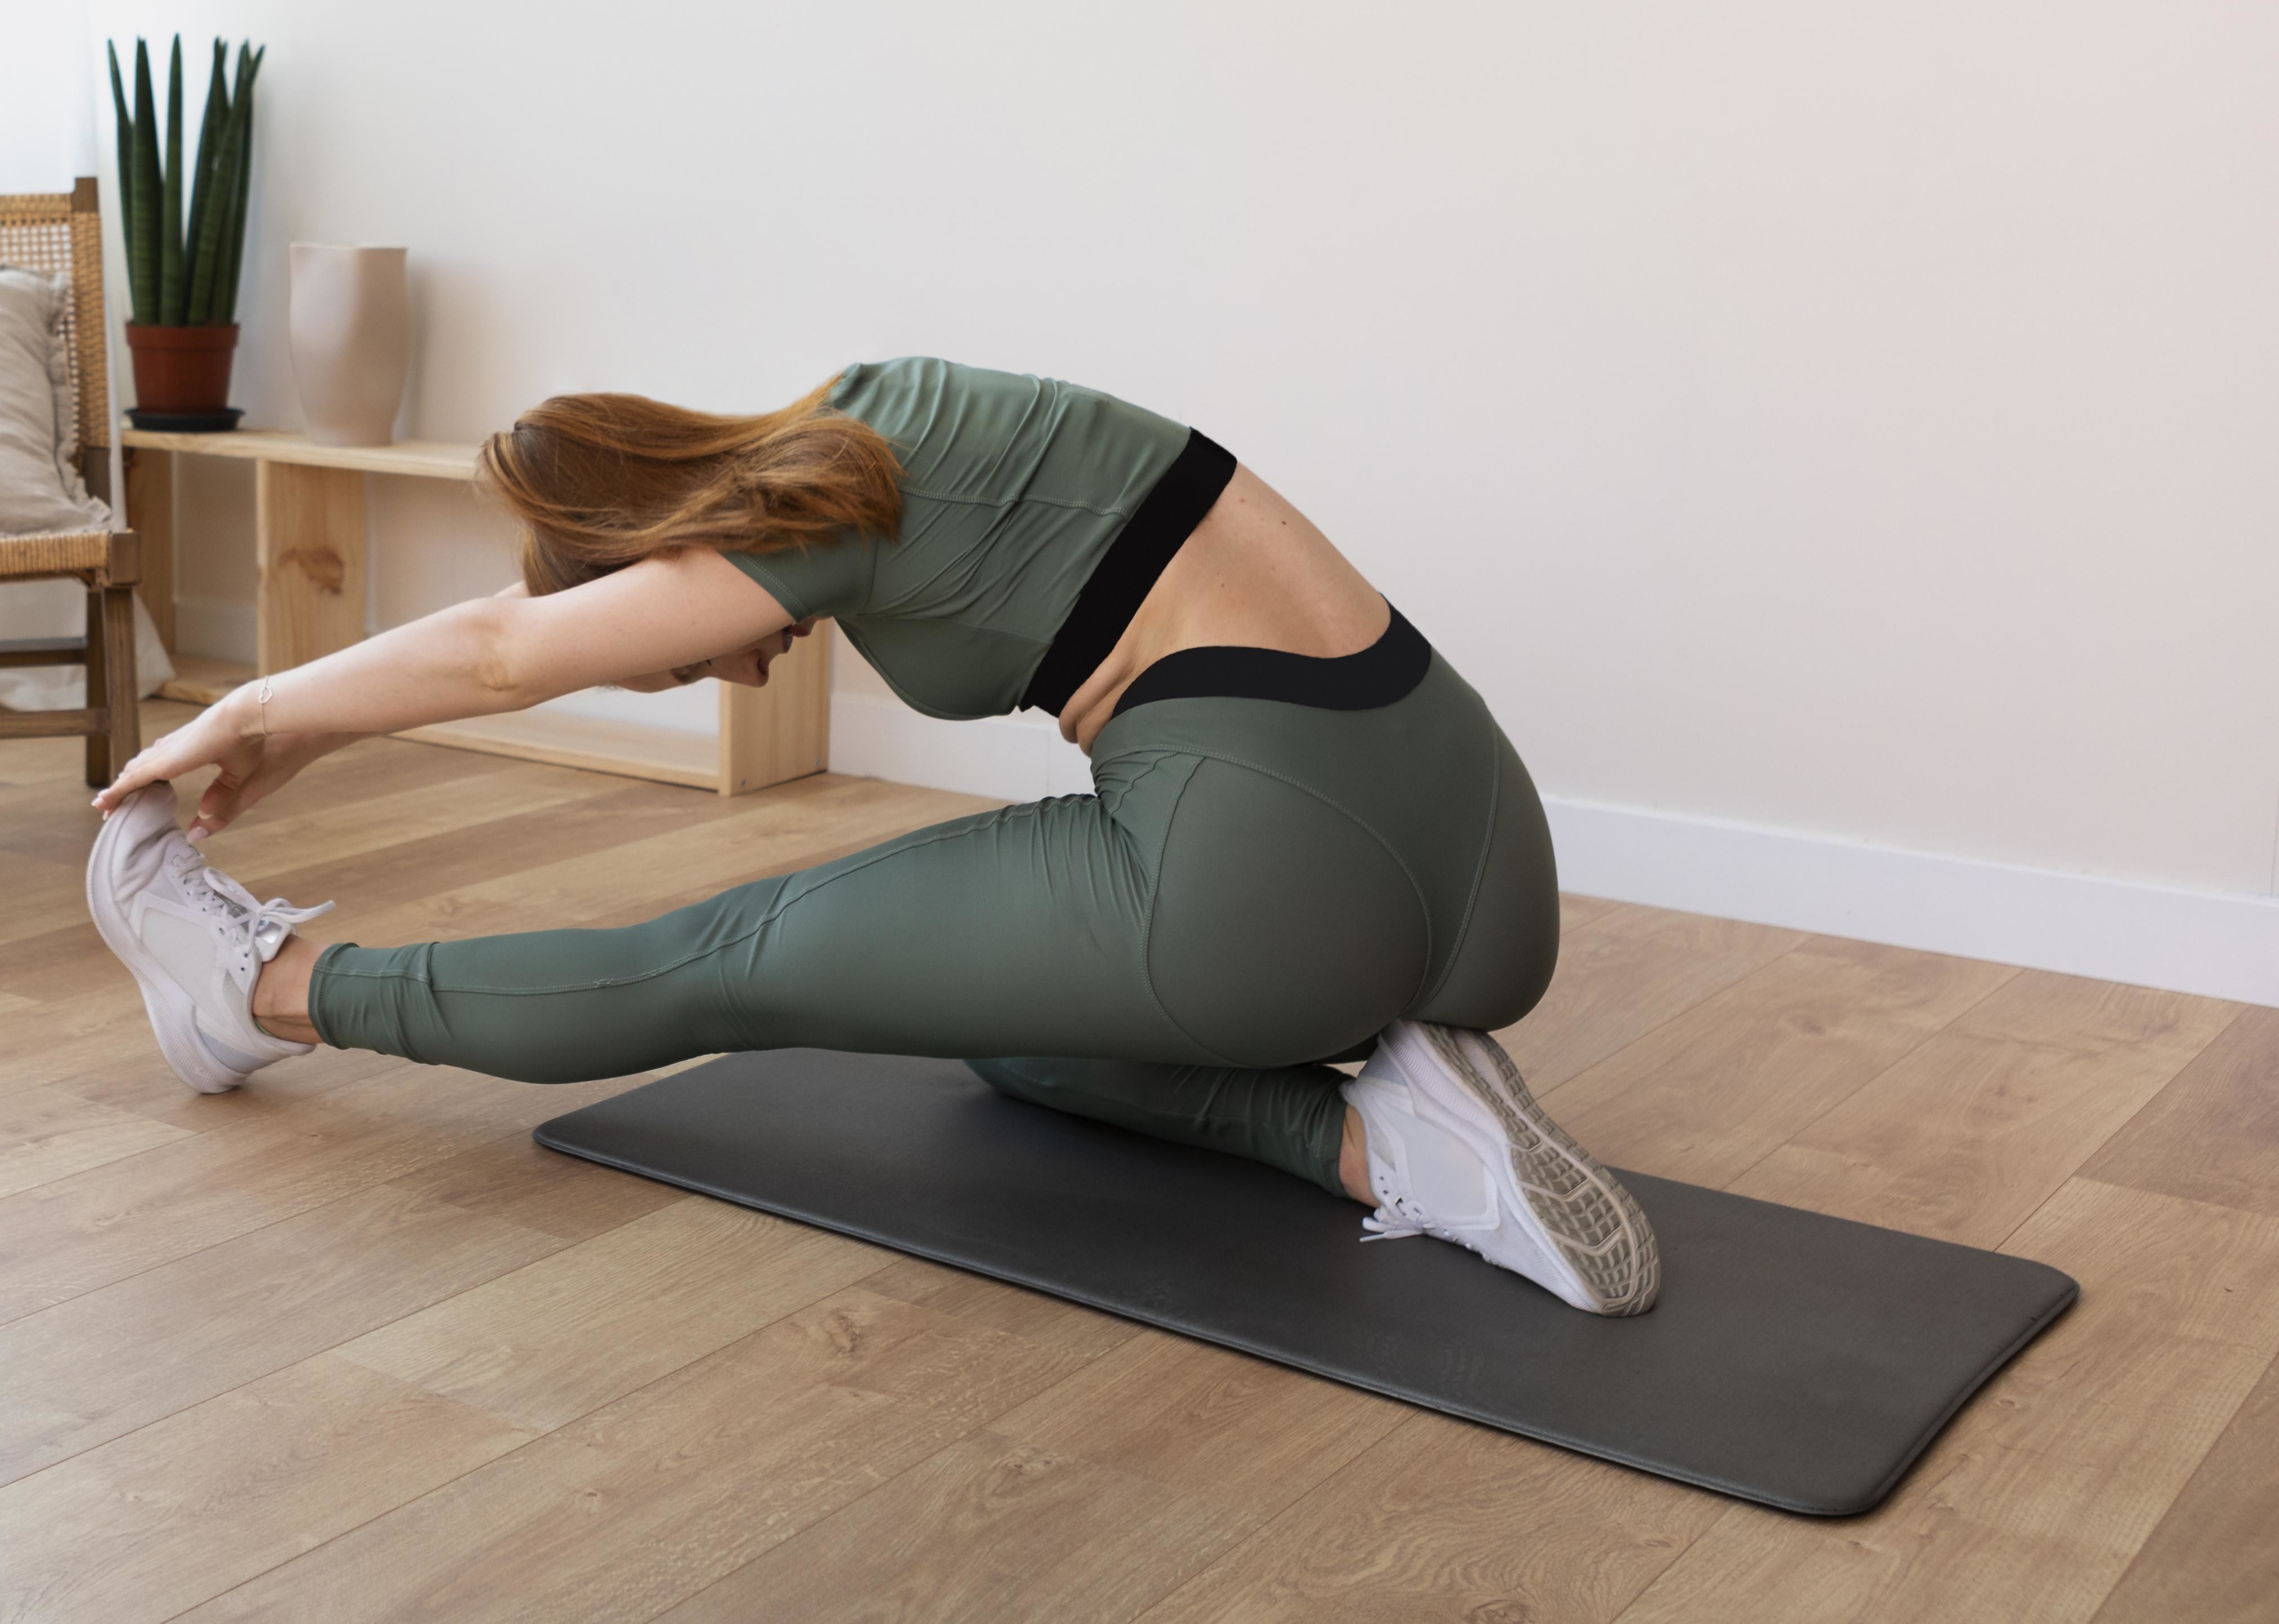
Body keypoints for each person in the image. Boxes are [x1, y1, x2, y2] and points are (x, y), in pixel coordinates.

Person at [86, 358, 1659, 1316]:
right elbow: (528, 627)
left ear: (662, 546)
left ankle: (259, 991)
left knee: (724, 961)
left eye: (675, 639)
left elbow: (507, 652)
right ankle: (1397, 1137)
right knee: (1005, 1033)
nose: (727, 665)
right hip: (1483, 860)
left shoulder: (849, 483)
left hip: (1265, 889)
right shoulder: (901, 422)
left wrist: (256, 708)